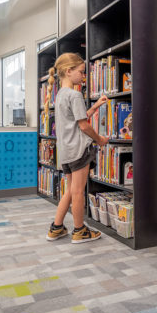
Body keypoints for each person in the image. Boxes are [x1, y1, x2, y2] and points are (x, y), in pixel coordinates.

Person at [45, 53, 109, 242]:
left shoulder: (60, 96)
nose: (83, 76)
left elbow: (76, 119)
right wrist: (99, 139)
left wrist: (95, 106)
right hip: (79, 150)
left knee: (70, 189)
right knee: (78, 191)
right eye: (81, 72)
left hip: (65, 152)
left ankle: (56, 227)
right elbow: (83, 126)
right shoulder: (75, 94)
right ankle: (80, 230)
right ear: (68, 71)